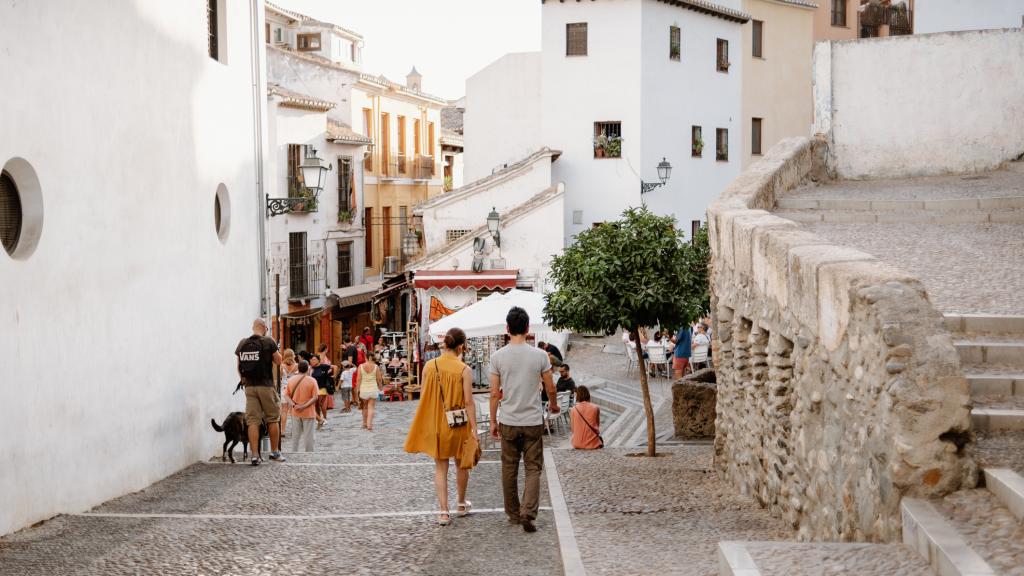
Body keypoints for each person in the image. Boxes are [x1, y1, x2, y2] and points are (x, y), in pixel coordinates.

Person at [489, 306, 559, 533]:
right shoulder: (540, 356)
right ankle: (528, 512)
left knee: (509, 467)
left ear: (507, 329)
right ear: (528, 329)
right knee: (533, 468)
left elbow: (493, 393)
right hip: (532, 420)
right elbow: (550, 387)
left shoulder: (497, 357)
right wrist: (554, 404)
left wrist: (492, 421)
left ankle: (513, 513)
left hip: (508, 419)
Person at [404, 328, 478, 526]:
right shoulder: (464, 370)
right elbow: (469, 401)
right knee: (462, 464)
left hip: (438, 424)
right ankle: (461, 504)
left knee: (440, 467)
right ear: (461, 346)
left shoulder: (429, 366)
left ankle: (444, 512)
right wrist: (474, 428)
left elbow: (427, 396)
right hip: (459, 424)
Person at [234, 319, 284, 466]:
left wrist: (243, 380)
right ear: (264, 328)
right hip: (266, 386)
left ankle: (254, 455)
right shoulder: (268, 341)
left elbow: (239, 366)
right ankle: (275, 452)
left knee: (253, 421)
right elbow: (279, 361)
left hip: (249, 387)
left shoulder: (242, 343)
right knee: (272, 418)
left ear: (253, 328)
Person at [284, 360, 319, 452]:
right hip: (308, 412)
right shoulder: (312, 381)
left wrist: (294, 405)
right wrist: (303, 406)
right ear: (308, 369)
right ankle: (309, 454)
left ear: (298, 368)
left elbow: (286, 395)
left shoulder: (291, 380)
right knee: (309, 436)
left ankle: (294, 452)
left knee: (295, 435)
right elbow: (315, 397)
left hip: (295, 412)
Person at [356, 353, 384, 430]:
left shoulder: (361, 366)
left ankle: (364, 423)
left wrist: (357, 389)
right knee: (371, 407)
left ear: (366, 357)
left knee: (364, 407)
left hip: (364, 389)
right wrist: (380, 387)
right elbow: (379, 379)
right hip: (373, 389)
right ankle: (369, 424)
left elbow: (358, 379)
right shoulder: (376, 367)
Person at [569, 386, 602, 450]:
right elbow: (597, 426)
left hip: (577, 443)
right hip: (593, 443)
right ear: (588, 394)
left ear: (577, 396)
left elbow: (573, 429)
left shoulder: (573, 409)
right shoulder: (595, 408)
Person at [310, 355, 333, 429]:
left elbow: (334, 367)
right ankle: (320, 420)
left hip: (322, 388)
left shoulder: (323, 366)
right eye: (312, 360)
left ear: (318, 360)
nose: (312, 361)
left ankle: (324, 418)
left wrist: (334, 376)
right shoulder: (312, 368)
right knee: (316, 405)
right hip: (314, 389)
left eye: (314, 360)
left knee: (320, 403)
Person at [279, 350, 297, 438]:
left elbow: (280, 378)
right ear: (292, 355)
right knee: (294, 410)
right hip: (294, 390)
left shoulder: (281, 366)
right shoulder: (297, 366)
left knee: (284, 411)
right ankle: (294, 431)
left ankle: (282, 431)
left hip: (284, 389)